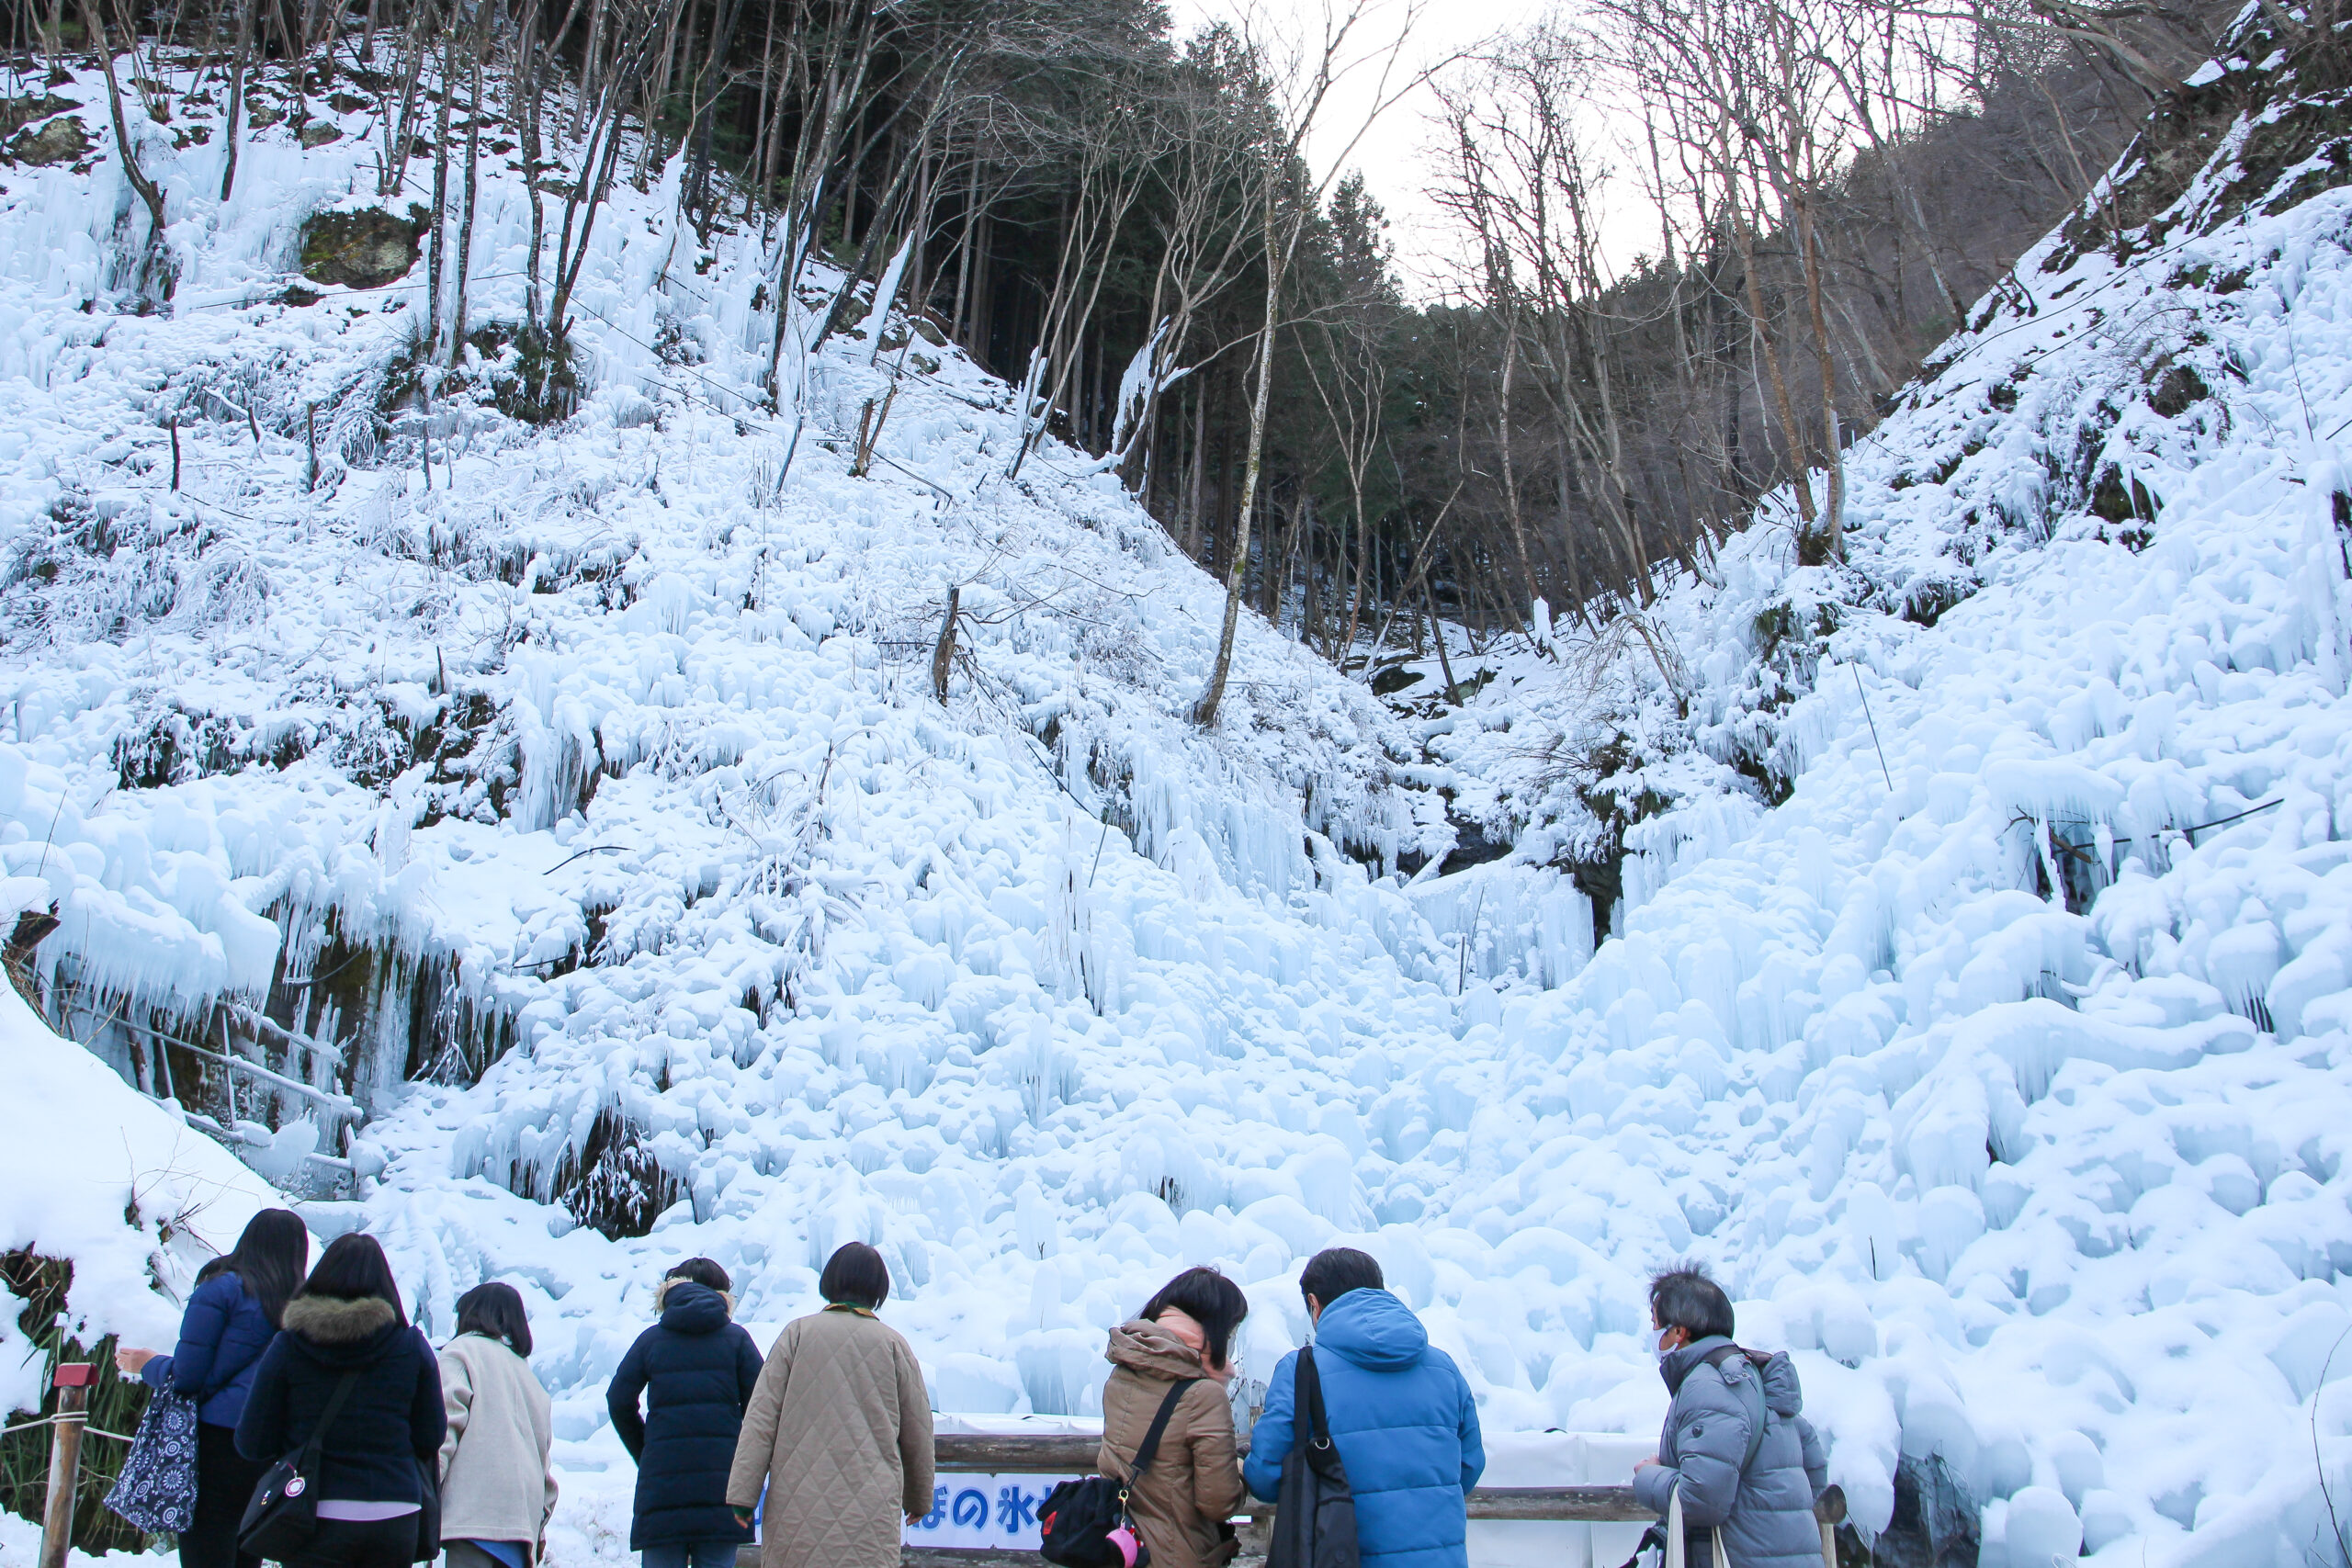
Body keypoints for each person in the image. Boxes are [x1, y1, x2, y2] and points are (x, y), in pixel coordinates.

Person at [1244, 1248, 1483, 1568]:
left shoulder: (1302, 1370)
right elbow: (1468, 1467)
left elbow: (1266, 1477)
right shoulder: (1444, 1369)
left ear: (1314, 1304)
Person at [235, 1234, 447, 1568]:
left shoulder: (288, 1347)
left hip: (313, 1512)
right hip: (396, 1512)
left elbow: (251, 1441)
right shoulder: (411, 1347)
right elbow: (431, 1436)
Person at [115, 1209, 311, 1568]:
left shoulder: (221, 1289)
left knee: (207, 1546)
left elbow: (189, 1376)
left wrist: (148, 1364)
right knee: (247, 1550)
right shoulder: (309, 1309)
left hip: (215, 1441)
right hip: (271, 1448)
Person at [725, 1242, 933, 1568]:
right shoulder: (894, 1346)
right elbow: (917, 1431)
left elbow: (761, 1420)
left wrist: (742, 1497)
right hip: (869, 1515)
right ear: (879, 1289)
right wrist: (919, 1497)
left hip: (797, 1510)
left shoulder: (796, 1335)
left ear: (830, 1281)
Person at [1631, 1266, 1828, 1568]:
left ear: (1678, 1332)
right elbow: (1813, 1463)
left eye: (1657, 1324)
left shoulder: (1708, 1387)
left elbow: (1701, 1500)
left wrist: (1650, 1476)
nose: (1654, 1334)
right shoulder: (1753, 1375)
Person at [608, 1258, 763, 1568]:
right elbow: (763, 1409)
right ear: (723, 1298)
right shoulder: (737, 1340)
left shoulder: (651, 1341)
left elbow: (618, 1400)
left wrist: (648, 1453)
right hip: (723, 1494)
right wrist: (739, 1458)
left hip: (663, 1495)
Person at [1098, 1267, 1249, 1568]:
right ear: (1212, 1328)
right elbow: (1218, 1502)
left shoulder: (1125, 1371)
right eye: (1230, 1333)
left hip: (1127, 1551)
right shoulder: (1203, 1394)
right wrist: (1242, 1470)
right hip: (1177, 1553)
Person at [437, 1283, 560, 1568]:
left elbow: (443, 1431)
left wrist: (424, 1497)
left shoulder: (461, 1353)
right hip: (520, 1534)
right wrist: (538, 1530)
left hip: (470, 1523)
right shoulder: (530, 1380)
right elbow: (545, 1474)